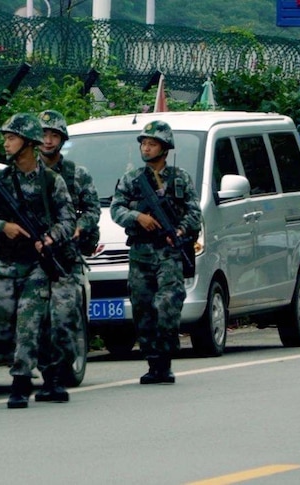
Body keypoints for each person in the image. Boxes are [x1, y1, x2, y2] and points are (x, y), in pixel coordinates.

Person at [0, 112, 75, 409]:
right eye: (5, 137)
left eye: (11, 138)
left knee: (29, 323)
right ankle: (45, 366)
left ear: (28, 143)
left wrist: (50, 238)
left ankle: (21, 381)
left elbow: (68, 220)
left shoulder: (51, 182)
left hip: (37, 266)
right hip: (3, 264)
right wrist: (4, 227)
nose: (6, 143)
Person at [109, 120, 201, 384]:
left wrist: (181, 231)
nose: (146, 148)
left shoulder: (180, 178)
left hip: (169, 252)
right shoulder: (132, 179)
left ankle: (166, 356)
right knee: (143, 308)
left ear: (164, 148)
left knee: (167, 303)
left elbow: (194, 212)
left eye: (152, 144)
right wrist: (139, 217)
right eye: (144, 144)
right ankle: (154, 363)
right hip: (140, 254)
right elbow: (117, 209)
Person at [34, 109, 100, 402]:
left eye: (53, 135)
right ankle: (44, 373)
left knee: (63, 318)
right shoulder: (23, 171)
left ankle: (58, 375)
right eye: (43, 134)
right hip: (32, 257)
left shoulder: (76, 174)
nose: (48, 140)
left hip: (66, 258)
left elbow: (92, 209)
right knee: (34, 321)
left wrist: (78, 227)